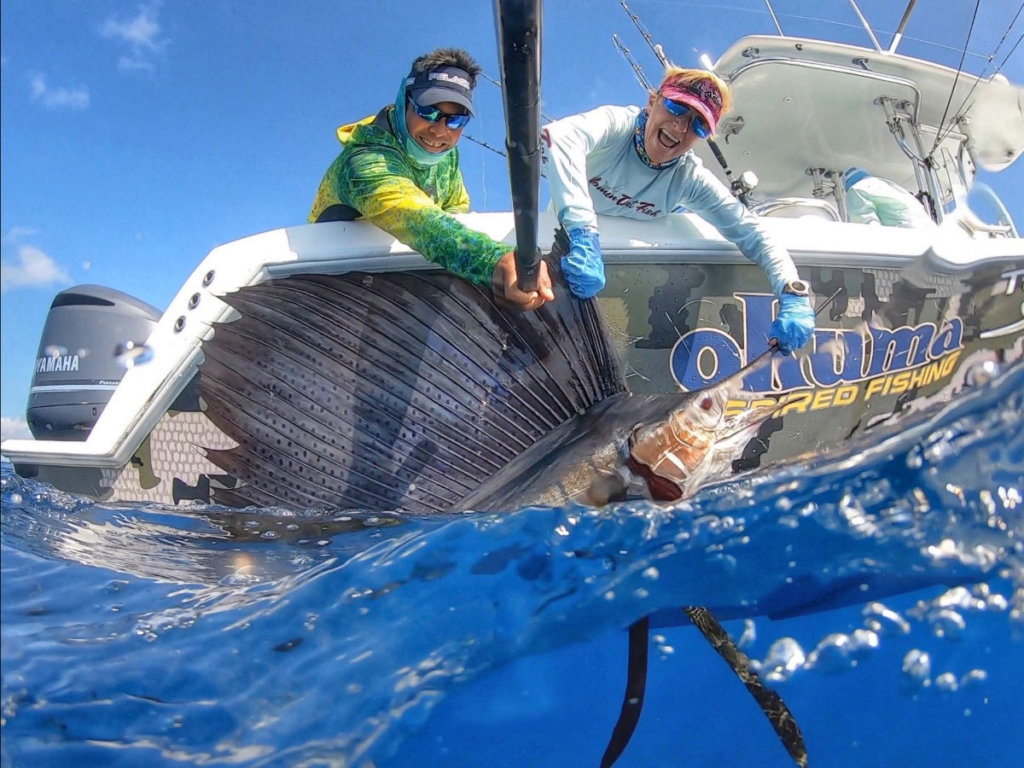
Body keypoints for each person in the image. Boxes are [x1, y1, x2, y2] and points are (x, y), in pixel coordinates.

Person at [540, 67, 815, 353]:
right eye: (676, 107)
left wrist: (792, 294)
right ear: (651, 102)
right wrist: (582, 233)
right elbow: (557, 136)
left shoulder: (689, 179)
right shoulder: (617, 125)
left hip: (628, 291)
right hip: (567, 261)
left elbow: (753, 234)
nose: (680, 127)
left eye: (698, 126)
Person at [309, 47, 553, 310]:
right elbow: (414, 217)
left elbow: (455, 209)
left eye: (455, 120)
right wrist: (494, 260)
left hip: (405, 287)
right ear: (405, 99)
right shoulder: (363, 161)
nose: (439, 131)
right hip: (335, 291)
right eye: (428, 112)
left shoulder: (447, 159)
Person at [842, 167, 936, 228]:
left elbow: (868, 227)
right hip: (931, 238)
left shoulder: (856, 189)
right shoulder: (892, 188)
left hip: (908, 242)